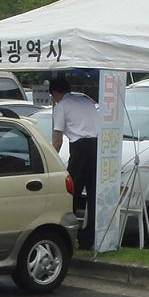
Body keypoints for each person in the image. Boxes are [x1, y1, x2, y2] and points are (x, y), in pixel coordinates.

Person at [50, 76, 99, 250]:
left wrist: (50, 161)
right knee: (94, 194)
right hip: (97, 146)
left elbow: (57, 140)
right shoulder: (86, 101)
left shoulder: (61, 106)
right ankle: (89, 238)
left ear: (55, 93)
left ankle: (68, 236)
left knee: (72, 193)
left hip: (79, 149)